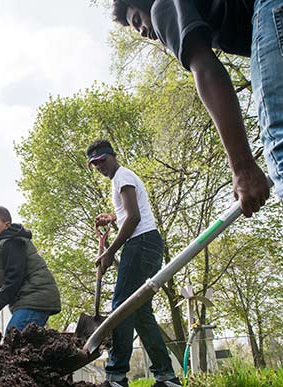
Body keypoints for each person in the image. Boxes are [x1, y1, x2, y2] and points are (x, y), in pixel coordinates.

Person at [112, 0, 283, 363]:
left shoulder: (163, 5)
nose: (143, 30)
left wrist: (242, 166)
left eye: (135, 19)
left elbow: (205, 68)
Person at [87, 139, 179, 387]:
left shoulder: (122, 177)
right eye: (95, 164)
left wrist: (110, 252)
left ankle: (116, 377)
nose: (100, 167)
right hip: (149, 244)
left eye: (102, 161)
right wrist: (113, 217)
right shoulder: (122, 179)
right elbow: (129, 213)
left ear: (113, 156)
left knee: (122, 308)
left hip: (140, 244)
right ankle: (166, 377)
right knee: (140, 313)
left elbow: (135, 218)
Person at [0, 205, 61, 332]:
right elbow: (14, 274)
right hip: (29, 299)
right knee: (24, 342)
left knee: (14, 337)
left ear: (7, 225)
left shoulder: (12, 242)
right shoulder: (5, 244)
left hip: (35, 297)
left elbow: (14, 277)